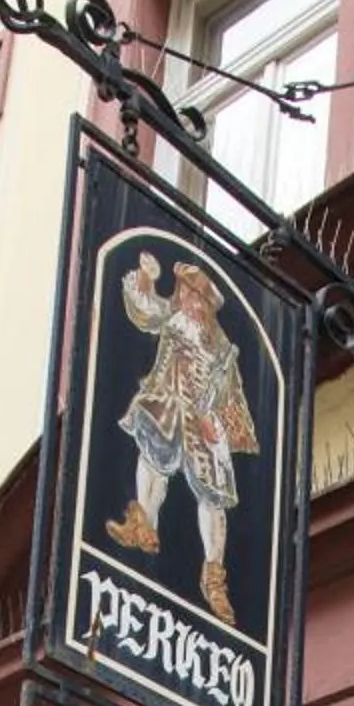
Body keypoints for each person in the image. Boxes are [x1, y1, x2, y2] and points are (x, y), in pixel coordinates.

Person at [104, 251, 258, 627]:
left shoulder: (222, 350)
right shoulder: (173, 322)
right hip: (171, 406)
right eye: (187, 295)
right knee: (153, 451)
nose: (191, 303)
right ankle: (145, 524)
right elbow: (146, 309)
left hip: (205, 426)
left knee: (213, 497)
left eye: (197, 297)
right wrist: (145, 276)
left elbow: (232, 397)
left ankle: (214, 577)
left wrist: (217, 423)